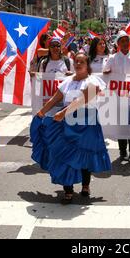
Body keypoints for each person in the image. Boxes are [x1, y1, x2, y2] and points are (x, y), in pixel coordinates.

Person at [31, 53, 111, 204]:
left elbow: (84, 99)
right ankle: (68, 189)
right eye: (77, 62)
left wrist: (63, 112)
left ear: (87, 65)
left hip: (87, 122)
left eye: (82, 62)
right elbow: (55, 98)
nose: (78, 64)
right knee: (64, 155)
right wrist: (42, 112)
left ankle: (85, 185)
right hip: (67, 122)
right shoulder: (67, 81)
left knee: (84, 154)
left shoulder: (93, 81)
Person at [103, 31, 130, 166]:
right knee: (121, 125)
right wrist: (107, 72)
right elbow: (105, 73)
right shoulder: (112, 58)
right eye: (122, 41)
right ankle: (123, 152)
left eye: (126, 41)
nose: (125, 43)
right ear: (118, 44)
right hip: (117, 97)